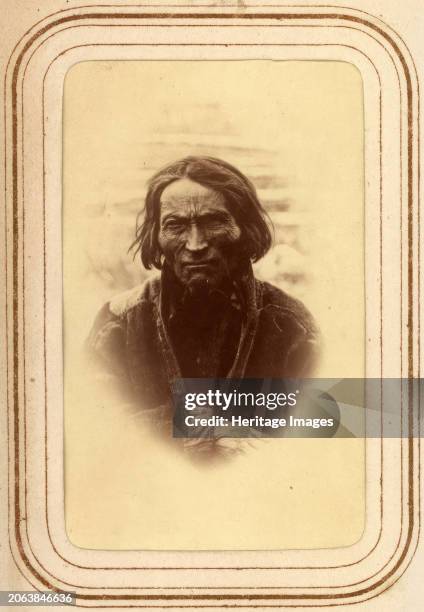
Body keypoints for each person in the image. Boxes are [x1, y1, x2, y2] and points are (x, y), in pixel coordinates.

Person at [86, 156, 320, 440]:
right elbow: (89, 423)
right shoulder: (120, 323)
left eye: (213, 222)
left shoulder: (291, 325)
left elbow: (327, 423)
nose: (196, 244)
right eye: (176, 225)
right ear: (155, 235)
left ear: (245, 230)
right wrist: (189, 430)